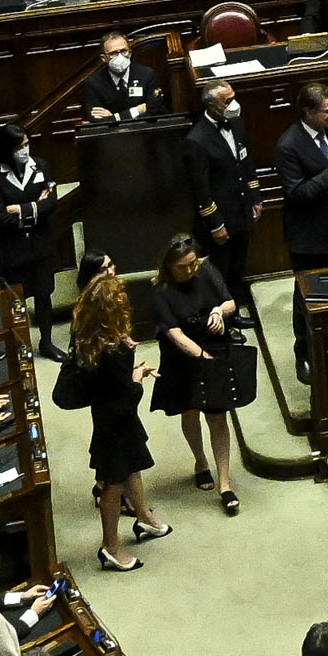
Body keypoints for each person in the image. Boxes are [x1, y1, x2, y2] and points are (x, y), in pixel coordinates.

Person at [60, 263, 162, 570]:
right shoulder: (114, 351)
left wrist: (126, 368)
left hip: (106, 419)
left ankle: (145, 519)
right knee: (113, 487)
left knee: (133, 469)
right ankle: (111, 548)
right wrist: (138, 377)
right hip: (116, 424)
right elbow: (125, 398)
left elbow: (106, 384)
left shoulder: (89, 338)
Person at [152, 238, 252, 508]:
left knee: (218, 417)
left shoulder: (206, 270)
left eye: (192, 263)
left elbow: (230, 302)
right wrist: (202, 358)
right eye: (183, 267)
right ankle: (200, 461)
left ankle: (225, 483)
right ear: (169, 267)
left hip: (214, 348)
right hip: (183, 358)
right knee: (191, 410)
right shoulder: (161, 290)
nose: (190, 270)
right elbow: (175, 334)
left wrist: (219, 311)